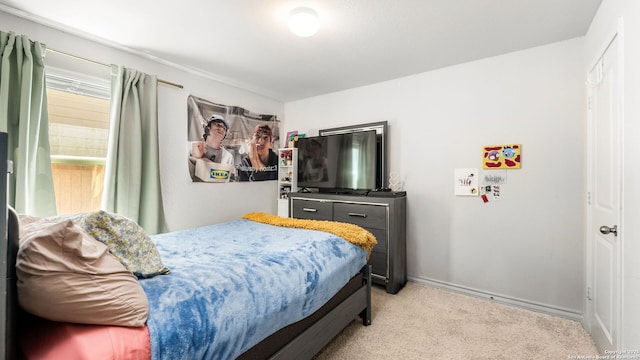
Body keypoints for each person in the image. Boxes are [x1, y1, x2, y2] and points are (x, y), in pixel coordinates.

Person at [189, 114, 235, 181]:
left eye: (224, 128)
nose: (222, 129)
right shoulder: (193, 148)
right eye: (218, 125)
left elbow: (231, 181)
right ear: (208, 128)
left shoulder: (228, 157)